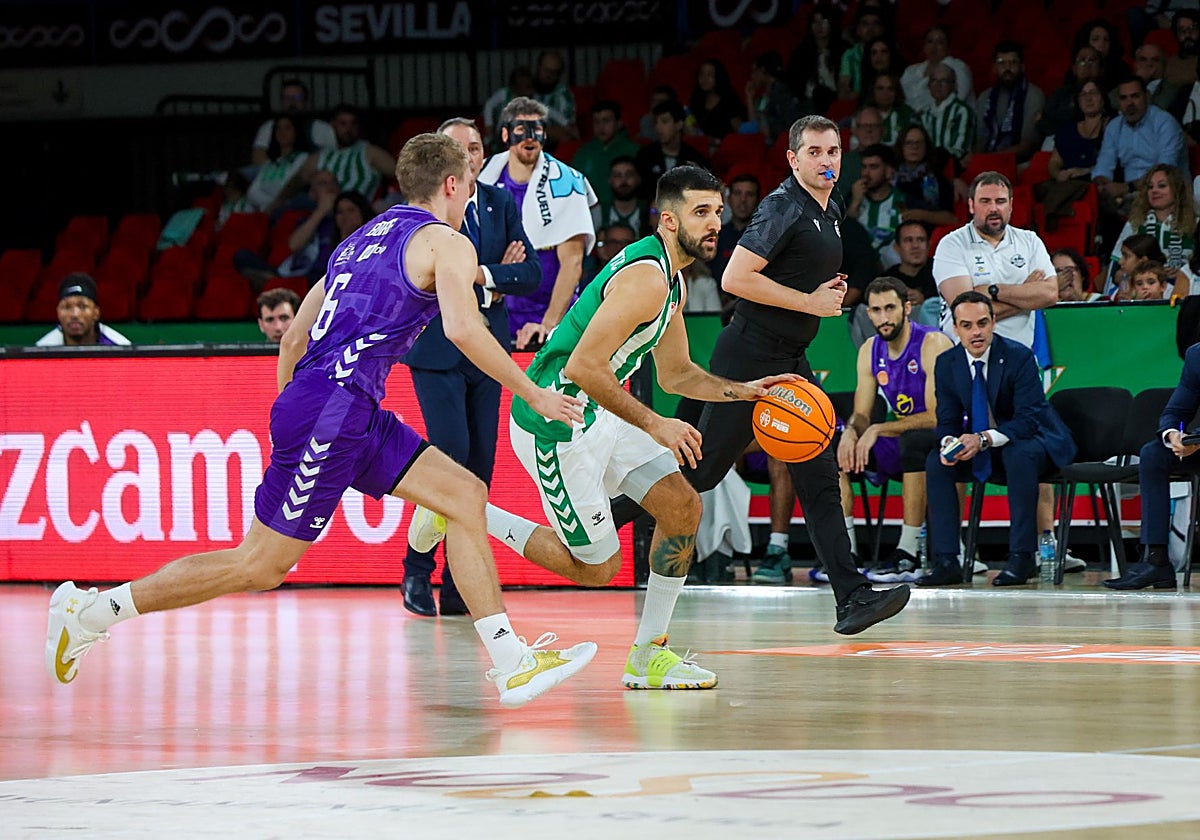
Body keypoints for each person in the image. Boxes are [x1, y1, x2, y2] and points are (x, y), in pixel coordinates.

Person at [44, 133, 596, 709]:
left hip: (338, 406)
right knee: (260, 565)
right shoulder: (447, 242)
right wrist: (532, 391)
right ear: (452, 185)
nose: (470, 198)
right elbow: (462, 329)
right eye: (469, 186)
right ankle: (90, 612)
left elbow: (294, 340)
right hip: (335, 409)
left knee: (463, 493)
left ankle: (513, 662)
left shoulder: (358, 241)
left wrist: (298, 409)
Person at [411, 165, 801, 688]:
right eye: (701, 212)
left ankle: (649, 656)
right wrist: (657, 425)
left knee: (682, 507)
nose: (715, 223)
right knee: (598, 568)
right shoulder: (646, 278)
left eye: (718, 212)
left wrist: (744, 390)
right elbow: (582, 369)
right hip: (558, 420)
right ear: (668, 220)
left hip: (603, 411)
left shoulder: (672, 280)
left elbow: (676, 372)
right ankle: (462, 513)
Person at [616, 115, 914, 633]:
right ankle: (599, 517)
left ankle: (852, 597)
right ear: (793, 160)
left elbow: (798, 272)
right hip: (750, 357)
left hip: (790, 361)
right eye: (815, 152)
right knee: (703, 472)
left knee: (820, 473)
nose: (827, 161)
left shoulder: (831, 208)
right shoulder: (781, 207)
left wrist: (824, 291)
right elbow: (735, 278)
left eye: (833, 151)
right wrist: (808, 301)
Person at [399, 117, 541, 618]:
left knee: (480, 468)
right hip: (436, 350)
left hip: (489, 350)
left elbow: (531, 273)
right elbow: (430, 280)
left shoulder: (500, 203)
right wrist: (491, 277)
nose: (471, 155)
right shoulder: (419, 218)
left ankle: (459, 582)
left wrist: (481, 272)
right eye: (460, 148)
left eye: (477, 147)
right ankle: (417, 567)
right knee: (450, 459)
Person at [920, 291, 1077, 587]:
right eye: (966, 325)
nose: (976, 332)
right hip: (990, 444)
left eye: (982, 323)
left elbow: (1029, 420)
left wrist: (981, 439)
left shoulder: (1018, 356)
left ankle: (1022, 556)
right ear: (955, 328)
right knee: (938, 462)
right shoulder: (947, 363)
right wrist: (948, 445)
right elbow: (948, 419)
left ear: (993, 322)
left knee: (1018, 453)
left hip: (1036, 439)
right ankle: (947, 560)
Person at [838, 277, 952, 582]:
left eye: (890, 308)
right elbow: (862, 413)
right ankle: (845, 553)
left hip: (946, 437)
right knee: (834, 447)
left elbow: (937, 416)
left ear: (907, 308)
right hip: (899, 432)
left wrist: (878, 428)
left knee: (914, 443)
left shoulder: (933, 343)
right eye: (876, 310)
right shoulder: (869, 350)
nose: (884, 317)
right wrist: (851, 431)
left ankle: (907, 551)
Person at [478, 97, 598, 349]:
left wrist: (548, 325)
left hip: (550, 311)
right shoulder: (482, 177)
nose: (529, 138)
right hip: (494, 307)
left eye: (537, 130)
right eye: (521, 130)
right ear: (505, 134)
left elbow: (573, 262)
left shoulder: (567, 182)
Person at [1103, 341, 1200, 590]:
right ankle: (1156, 560)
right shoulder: (1196, 355)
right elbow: (1175, 410)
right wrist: (1173, 435)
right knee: (1154, 453)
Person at [932, 171, 1057, 349]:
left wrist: (993, 291)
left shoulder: (1030, 241)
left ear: (1011, 205)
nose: (993, 209)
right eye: (985, 201)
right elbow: (967, 310)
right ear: (971, 205)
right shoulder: (952, 245)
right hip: (966, 357)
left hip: (1019, 357)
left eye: (1000, 201)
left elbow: (1050, 294)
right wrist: (1027, 298)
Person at [1093, 76, 1189, 224]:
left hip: (1169, 193)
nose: (1129, 103)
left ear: (1147, 97)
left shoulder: (1165, 123)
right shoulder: (1114, 126)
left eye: (1135, 96)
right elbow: (1103, 166)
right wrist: (1104, 185)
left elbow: (1165, 172)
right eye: (1124, 98)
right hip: (1130, 198)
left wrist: (1127, 187)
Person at [277, 105, 396, 210]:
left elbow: (401, 173)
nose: (348, 129)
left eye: (353, 124)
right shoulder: (321, 156)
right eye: (343, 124)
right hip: (320, 212)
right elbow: (295, 184)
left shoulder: (369, 152)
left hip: (356, 214)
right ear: (333, 125)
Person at [974, 41, 1046, 164]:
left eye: (1013, 62)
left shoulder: (1033, 94)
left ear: (1022, 66)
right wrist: (975, 159)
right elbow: (980, 140)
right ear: (995, 68)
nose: (1007, 68)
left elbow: (1026, 146)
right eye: (1002, 63)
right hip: (987, 160)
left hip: (1020, 163)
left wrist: (990, 159)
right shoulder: (985, 97)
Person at [635, 100, 713, 202]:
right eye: (656, 122)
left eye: (664, 122)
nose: (658, 128)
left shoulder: (694, 158)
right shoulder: (645, 156)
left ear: (679, 124)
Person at [250, 78, 335, 166]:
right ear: (281, 102)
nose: (292, 102)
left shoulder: (321, 128)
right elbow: (258, 157)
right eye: (287, 98)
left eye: (297, 97)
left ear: (305, 101)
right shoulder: (269, 127)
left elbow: (331, 159)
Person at [571, 100, 640, 208]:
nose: (601, 127)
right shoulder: (583, 152)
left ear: (619, 123)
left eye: (606, 121)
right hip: (591, 210)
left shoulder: (634, 151)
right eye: (596, 122)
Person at [35, 273, 130, 347]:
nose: (74, 314)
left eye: (83, 306)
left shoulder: (120, 347)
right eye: (67, 307)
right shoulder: (42, 350)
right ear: (58, 312)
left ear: (96, 312)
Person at [847, 143, 903, 264]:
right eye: (864, 167)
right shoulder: (852, 198)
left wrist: (921, 214)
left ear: (888, 171)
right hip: (860, 268)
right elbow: (843, 234)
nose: (866, 173)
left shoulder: (904, 200)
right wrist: (855, 204)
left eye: (873, 167)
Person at [246, 115, 314, 213]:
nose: (282, 133)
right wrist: (270, 206)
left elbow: (286, 188)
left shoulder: (303, 158)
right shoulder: (269, 163)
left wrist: (269, 205)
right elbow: (252, 192)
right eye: (278, 128)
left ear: (296, 131)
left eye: (287, 128)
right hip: (267, 210)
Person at [901, 25, 974, 115]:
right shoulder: (911, 70)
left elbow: (959, 98)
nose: (934, 47)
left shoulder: (958, 67)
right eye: (930, 41)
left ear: (948, 48)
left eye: (940, 42)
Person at [918, 62, 975, 169]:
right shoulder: (924, 114)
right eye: (934, 80)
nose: (938, 85)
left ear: (953, 85)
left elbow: (961, 149)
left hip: (955, 168)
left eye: (943, 81)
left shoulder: (962, 111)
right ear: (929, 85)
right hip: (927, 167)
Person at [708, 173, 760, 283]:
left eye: (749, 194)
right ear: (728, 199)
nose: (743, 200)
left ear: (758, 200)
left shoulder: (765, 238)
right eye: (737, 193)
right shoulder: (715, 235)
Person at [745, 52, 805, 140]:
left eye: (754, 71)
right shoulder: (764, 96)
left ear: (763, 70)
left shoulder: (782, 92)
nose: (752, 76)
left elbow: (788, 124)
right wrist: (749, 98)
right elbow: (754, 125)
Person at [688, 58, 746, 142]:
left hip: (724, 147)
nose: (704, 79)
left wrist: (714, 141)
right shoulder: (697, 98)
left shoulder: (730, 101)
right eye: (701, 74)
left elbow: (739, 133)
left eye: (709, 75)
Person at [482, 66, 535, 152]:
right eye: (524, 86)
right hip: (502, 132)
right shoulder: (505, 94)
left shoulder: (532, 100)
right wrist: (489, 124)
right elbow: (489, 105)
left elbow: (548, 110)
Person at [530, 50, 578, 144]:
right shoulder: (525, 89)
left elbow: (568, 133)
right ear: (538, 68)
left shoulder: (564, 95)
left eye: (554, 72)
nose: (549, 75)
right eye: (546, 70)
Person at [597, 156, 648, 237]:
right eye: (618, 175)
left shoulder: (649, 210)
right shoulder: (599, 211)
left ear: (638, 179)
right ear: (610, 180)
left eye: (629, 175)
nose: (624, 181)